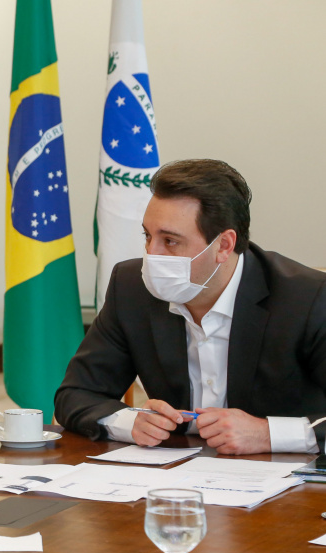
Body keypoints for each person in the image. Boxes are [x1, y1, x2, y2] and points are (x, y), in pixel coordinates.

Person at [55, 159, 326, 456]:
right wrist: (128, 421)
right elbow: (75, 394)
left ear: (223, 245)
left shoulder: (307, 297)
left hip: (289, 484)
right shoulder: (131, 287)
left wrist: (268, 434)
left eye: (170, 241)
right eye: (148, 236)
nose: (151, 254)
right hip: (175, 477)